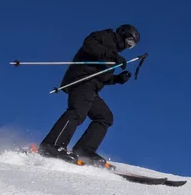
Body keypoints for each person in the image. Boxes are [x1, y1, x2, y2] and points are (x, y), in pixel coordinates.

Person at [37, 24, 140, 166]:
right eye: (129, 41)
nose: (128, 46)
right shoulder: (106, 36)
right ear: (123, 33)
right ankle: (51, 145)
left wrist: (117, 79)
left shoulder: (114, 52)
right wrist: (114, 56)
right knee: (78, 112)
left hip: (91, 87)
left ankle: (84, 150)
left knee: (104, 117)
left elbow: (101, 76)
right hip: (81, 80)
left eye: (132, 46)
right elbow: (89, 44)